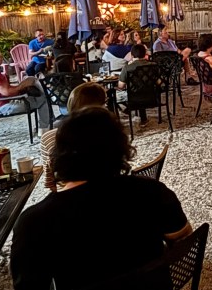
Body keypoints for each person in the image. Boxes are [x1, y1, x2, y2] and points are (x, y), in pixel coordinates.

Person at [11, 107, 191, 290]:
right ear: (121, 149)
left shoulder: (33, 222)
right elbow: (183, 242)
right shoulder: (153, 191)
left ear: (59, 155)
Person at [40, 82, 107, 192]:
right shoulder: (109, 133)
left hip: (67, 200)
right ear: (102, 108)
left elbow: (50, 183)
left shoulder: (49, 138)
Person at [0, 48, 52, 131]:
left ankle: (47, 122)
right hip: (5, 106)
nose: (2, 58)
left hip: (0, 105)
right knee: (44, 99)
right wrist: (22, 85)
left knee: (33, 83)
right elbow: (6, 92)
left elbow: (5, 90)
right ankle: (44, 128)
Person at [117, 44, 156, 126]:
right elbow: (159, 82)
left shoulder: (127, 68)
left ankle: (117, 118)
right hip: (152, 97)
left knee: (112, 95)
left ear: (131, 55)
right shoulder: (154, 65)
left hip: (134, 99)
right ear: (145, 53)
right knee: (141, 89)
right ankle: (143, 118)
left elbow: (121, 86)